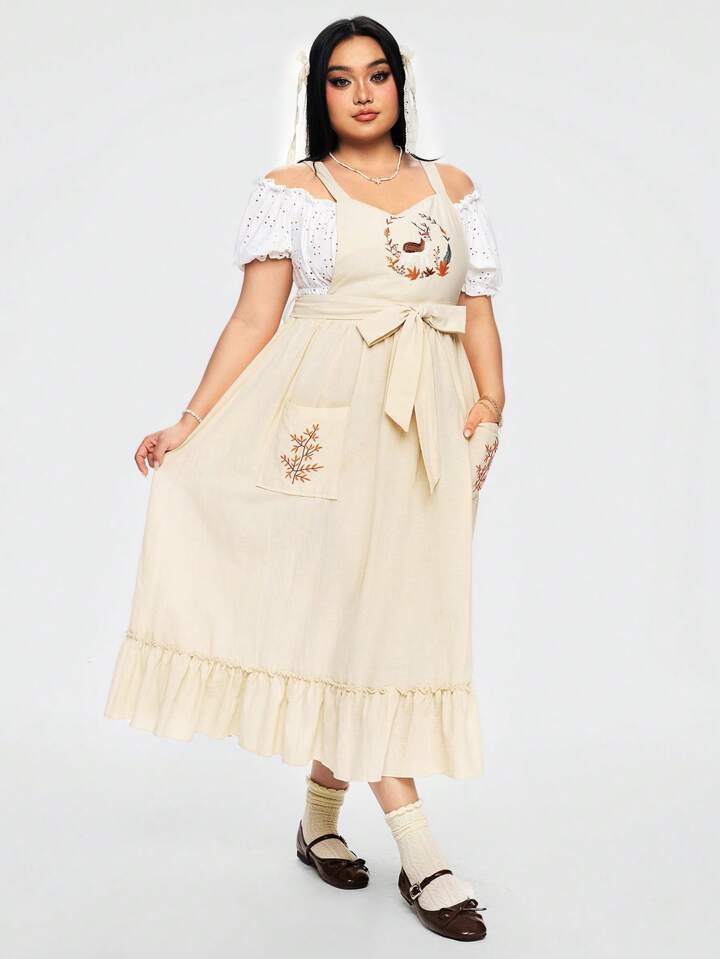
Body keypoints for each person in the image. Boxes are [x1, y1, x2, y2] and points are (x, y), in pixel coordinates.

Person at [104, 15, 505, 943]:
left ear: (400, 83)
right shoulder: (293, 191)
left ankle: (318, 817)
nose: (362, 93)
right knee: (357, 622)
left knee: (390, 618)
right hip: (326, 420)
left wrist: (491, 403)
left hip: (431, 427)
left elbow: (477, 307)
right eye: (340, 78)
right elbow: (254, 320)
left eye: (377, 74)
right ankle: (421, 852)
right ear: (318, 92)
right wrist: (190, 423)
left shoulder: (453, 187)